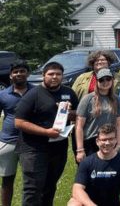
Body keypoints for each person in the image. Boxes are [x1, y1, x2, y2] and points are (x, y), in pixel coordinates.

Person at [14, 62, 79, 206]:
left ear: (62, 76)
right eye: (51, 74)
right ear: (43, 75)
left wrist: (70, 113)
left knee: (50, 188)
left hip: (58, 149)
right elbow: (19, 122)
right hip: (33, 150)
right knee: (33, 190)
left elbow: (78, 115)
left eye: (58, 74)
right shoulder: (33, 95)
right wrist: (46, 132)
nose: (54, 77)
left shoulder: (68, 93)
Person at [68, 124, 120, 206]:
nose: (107, 143)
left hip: (112, 203)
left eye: (111, 139)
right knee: (73, 204)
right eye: (104, 140)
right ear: (97, 141)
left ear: (116, 140)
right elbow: (77, 189)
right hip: (89, 203)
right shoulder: (87, 162)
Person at [0, 60, 33, 206]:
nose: (19, 74)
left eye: (22, 71)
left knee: (31, 179)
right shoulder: (2, 95)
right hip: (8, 141)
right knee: (7, 179)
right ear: (10, 76)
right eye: (15, 72)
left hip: (31, 142)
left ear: (28, 74)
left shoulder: (37, 92)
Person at [75, 68, 120, 164]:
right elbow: (79, 126)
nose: (105, 82)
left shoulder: (116, 99)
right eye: (101, 80)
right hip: (90, 141)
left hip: (109, 141)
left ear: (112, 81)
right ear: (96, 82)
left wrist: (118, 144)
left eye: (108, 79)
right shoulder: (88, 99)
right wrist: (80, 149)